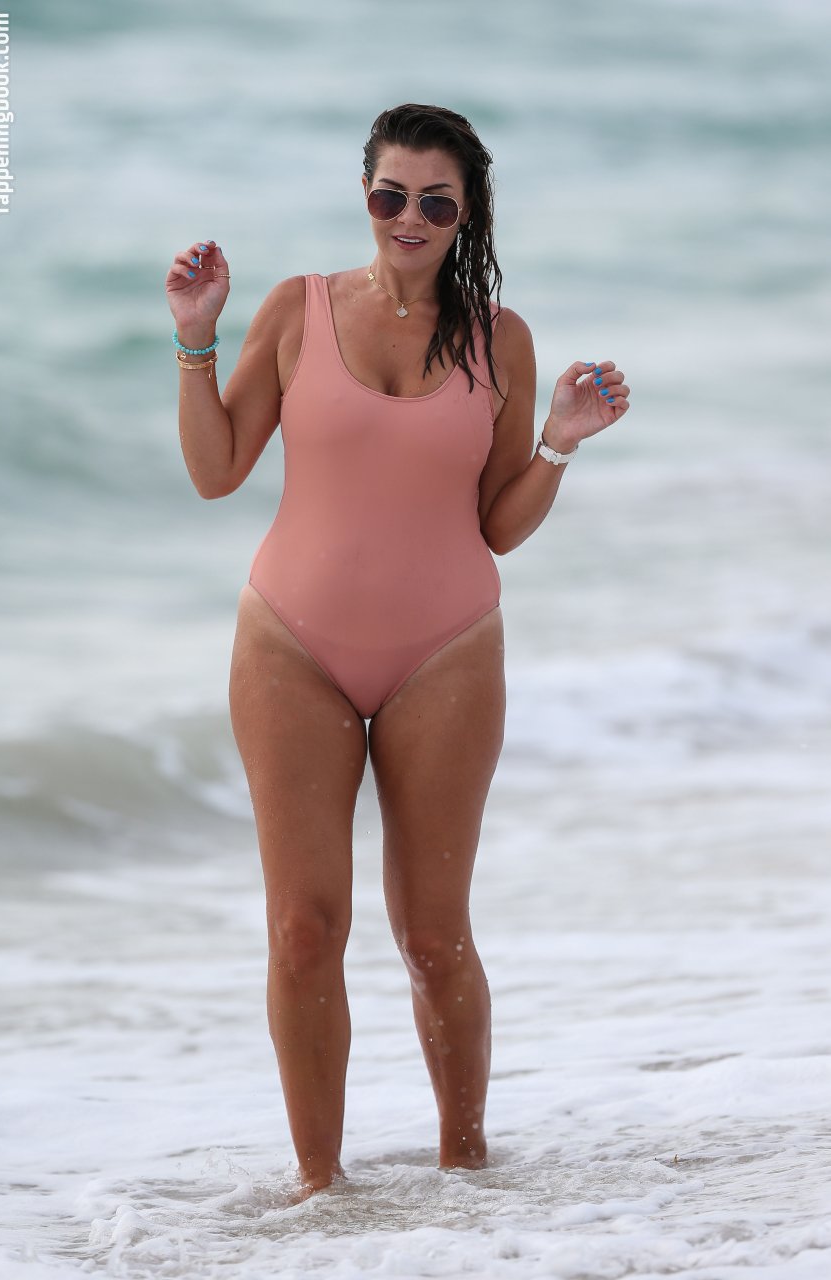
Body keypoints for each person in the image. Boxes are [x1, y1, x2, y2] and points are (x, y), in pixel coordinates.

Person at [165, 102, 630, 1201]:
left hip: (446, 649)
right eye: (389, 194)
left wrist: (558, 444)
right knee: (301, 928)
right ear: (364, 195)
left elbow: (497, 525)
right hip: (290, 641)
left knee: (431, 934)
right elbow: (215, 471)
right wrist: (194, 336)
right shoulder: (298, 308)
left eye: (435, 202)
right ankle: (318, 1195)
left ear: (468, 214)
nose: (408, 216)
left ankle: (467, 1179)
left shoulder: (499, 339)